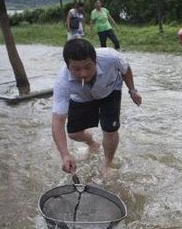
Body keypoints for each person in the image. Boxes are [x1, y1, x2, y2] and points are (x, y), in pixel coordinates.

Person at [51, 39, 142, 177]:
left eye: (88, 67)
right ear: (67, 66)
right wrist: (65, 155)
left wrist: (132, 90)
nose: (83, 74)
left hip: (110, 91)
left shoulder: (111, 58)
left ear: (95, 60)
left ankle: (107, 164)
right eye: (76, 69)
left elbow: (125, 69)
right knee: (73, 133)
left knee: (110, 129)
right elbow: (58, 121)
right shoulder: (62, 82)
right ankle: (92, 143)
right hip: (82, 97)